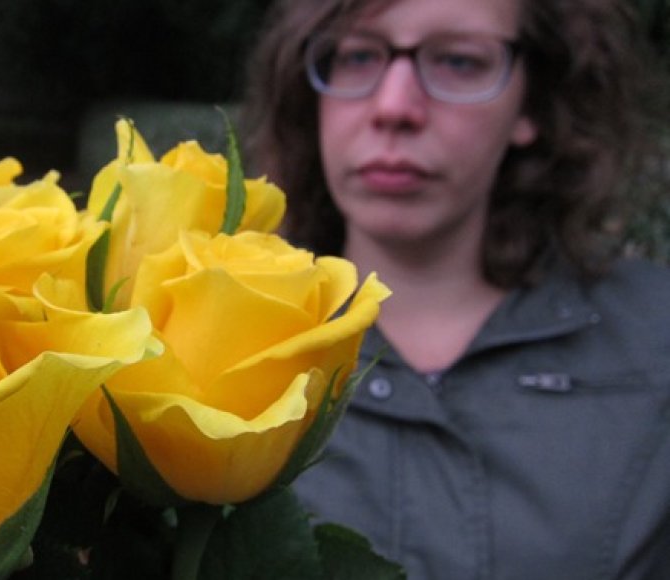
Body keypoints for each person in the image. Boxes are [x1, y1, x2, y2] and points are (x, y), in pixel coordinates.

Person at [241, 0, 670, 578]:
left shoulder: (653, 338)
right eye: (358, 55)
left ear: (532, 103)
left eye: (460, 63)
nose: (394, 106)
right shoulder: (200, 333)